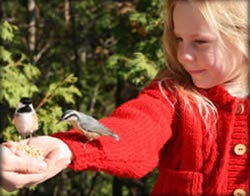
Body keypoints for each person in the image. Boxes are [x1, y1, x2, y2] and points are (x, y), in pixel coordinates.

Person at [1, 0, 249, 195]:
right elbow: (135, 130)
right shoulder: (172, 93)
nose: (183, 54)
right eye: (178, 39)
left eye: (200, 42)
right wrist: (68, 147)